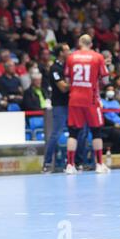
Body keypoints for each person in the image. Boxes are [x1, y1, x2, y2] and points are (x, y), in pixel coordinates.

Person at [64, 34, 110, 174]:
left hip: (74, 98)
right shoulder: (98, 57)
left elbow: (67, 80)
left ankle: (70, 165)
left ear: (79, 43)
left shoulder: (71, 57)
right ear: (91, 44)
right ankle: (99, 165)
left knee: (73, 132)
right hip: (91, 99)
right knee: (96, 131)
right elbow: (106, 80)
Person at [42, 43, 70, 173]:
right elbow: (63, 88)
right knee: (56, 133)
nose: (69, 52)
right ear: (60, 53)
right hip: (60, 105)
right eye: (66, 50)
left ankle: (72, 163)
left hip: (72, 104)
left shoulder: (69, 66)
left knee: (77, 132)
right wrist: (79, 81)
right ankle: (47, 163)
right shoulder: (55, 68)